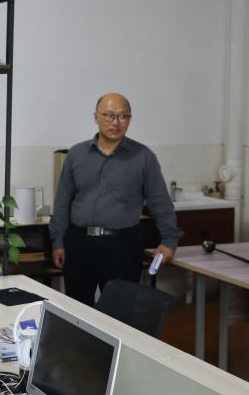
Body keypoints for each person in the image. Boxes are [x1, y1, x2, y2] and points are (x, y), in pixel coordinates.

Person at [49, 93, 182, 306]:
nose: (115, 122)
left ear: (130, 119)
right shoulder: (76, 154)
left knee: (120, 311)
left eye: (122, 116)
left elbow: (160, 202)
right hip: (79, 244)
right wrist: (58, 241)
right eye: (109, 115)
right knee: (76, 310)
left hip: (122, 246)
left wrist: (169, 241)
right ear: (96, 117)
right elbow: (63, 201)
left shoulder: (143, 157)